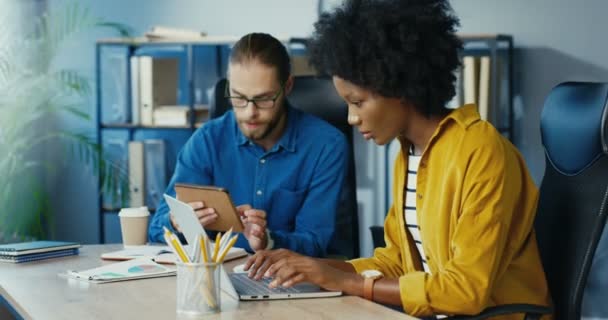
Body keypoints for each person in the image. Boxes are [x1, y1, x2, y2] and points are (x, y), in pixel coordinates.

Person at [243, 0, 552, 318]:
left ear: (397, 85)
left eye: (358, 102)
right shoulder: (409, 154)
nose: (351, 118)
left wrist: (344, 281)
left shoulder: (481, 152)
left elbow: (465, 291)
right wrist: (309, 267)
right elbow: (396, 261)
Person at [148, 33, 348, 257]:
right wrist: (178, 221)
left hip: (293, 281)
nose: (249, 113)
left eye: (263, 99)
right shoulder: (206, 140)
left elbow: (315, 242)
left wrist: (269, 240)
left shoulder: (326, 146)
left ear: (288, 86)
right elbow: (157, 228)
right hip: (219, 278)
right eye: (238, 97)